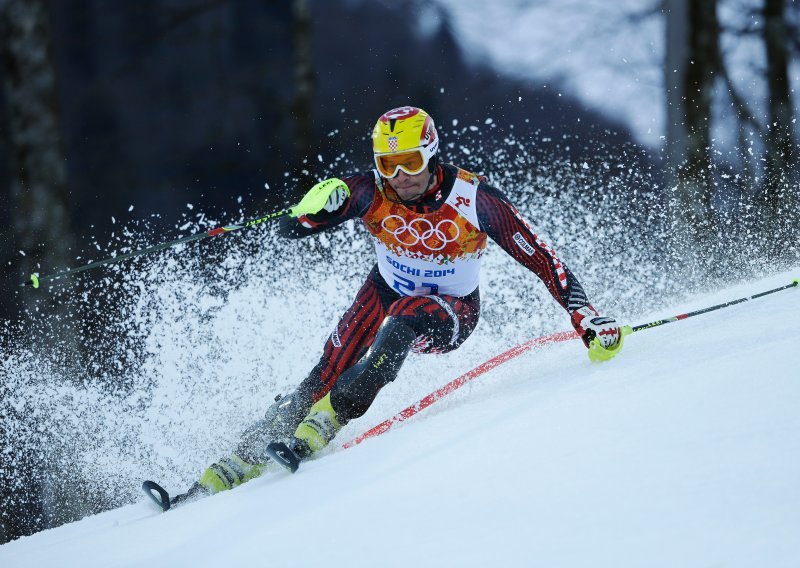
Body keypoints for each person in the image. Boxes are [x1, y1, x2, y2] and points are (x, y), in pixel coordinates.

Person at [186, 106, 622, 498]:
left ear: (431, 155)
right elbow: (290, 230)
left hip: (451, 309)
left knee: (400, 324)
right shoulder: (367, 191)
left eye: (411, 162)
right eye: (388, 164)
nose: (401, 176)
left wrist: (583, 315)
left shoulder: (473, 198)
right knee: (325, 370)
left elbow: (541, 256)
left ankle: (331, 418)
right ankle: (237, 460)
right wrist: (313, 209)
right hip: (384, 290)